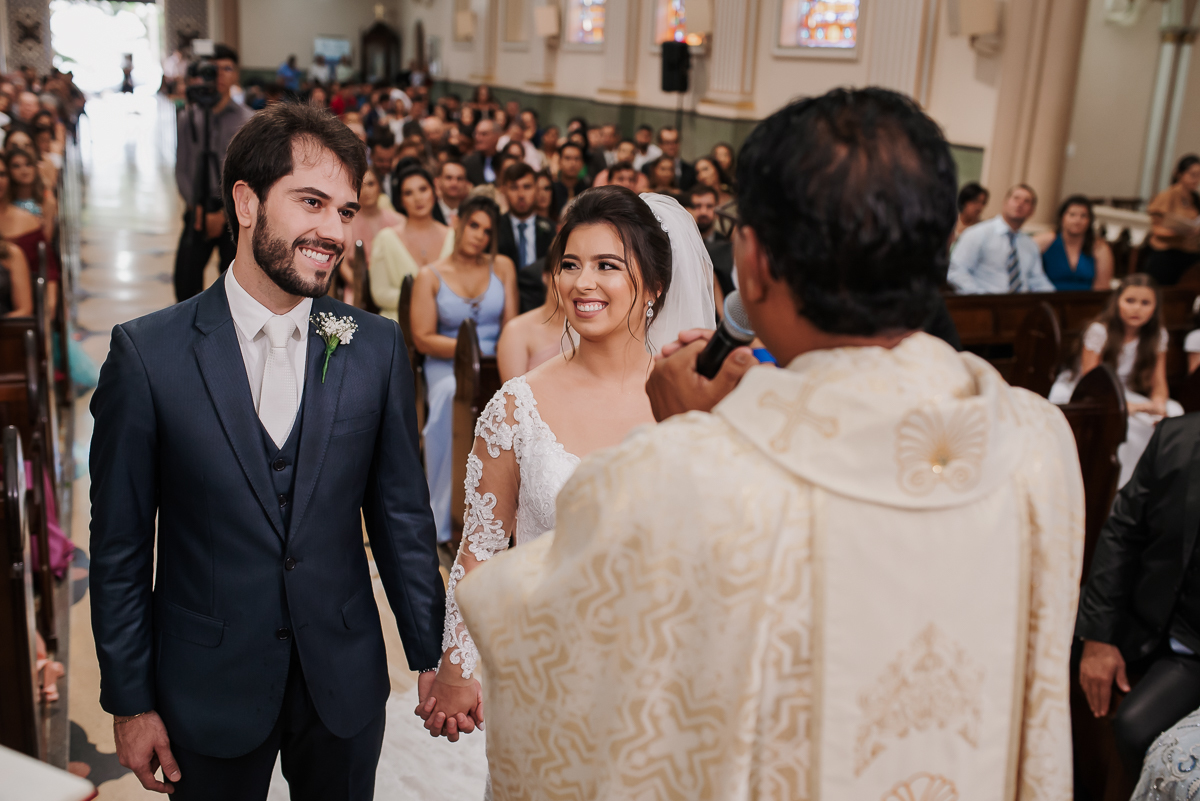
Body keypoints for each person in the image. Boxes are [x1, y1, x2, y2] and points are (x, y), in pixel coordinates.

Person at [436, 87, 1082, 800]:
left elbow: (536, 631)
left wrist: (683, 437)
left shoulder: (682, 470)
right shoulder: (1037, 444)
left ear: (755, 262)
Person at [89, 101, 447, 801]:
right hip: (206, 684)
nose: (332, 231)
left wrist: (430, 651)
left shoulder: (371, 345)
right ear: (246, 202)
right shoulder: (149, 354)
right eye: (311, 202)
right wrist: (130, 700)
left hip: (342, 682)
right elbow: (120, 546)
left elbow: (402, 517)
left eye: (345, 211)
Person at [420, 187, 715, 743]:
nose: (583, 283)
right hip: (544, 672)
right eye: (571, 265)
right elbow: (479, 550)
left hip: (664, 677)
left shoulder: (688, 397)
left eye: (607, 265)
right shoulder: (516, 406)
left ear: (653, 286)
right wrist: (458, 668)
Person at [1076, 387, 1200, 780]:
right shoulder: (1175, 439)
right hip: (1186, 646)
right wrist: (1098, 638)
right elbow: (1120, 535)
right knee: (1134, 727)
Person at [409, 196, 518, 545]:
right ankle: (442, 515)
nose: (480, 236)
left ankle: (503, 516)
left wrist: (496, 356)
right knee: (446, 397)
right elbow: (423, 338)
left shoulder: (502, 267)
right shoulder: (431, 275)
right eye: (474, 226)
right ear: (458, 224)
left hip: (495, 361)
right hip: (447, 366)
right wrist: (469, 353)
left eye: (487, 231)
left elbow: (511, 326)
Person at [1049, 274, 1182, 487]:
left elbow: (1159, 382)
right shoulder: (1100, 331)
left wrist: (1158, 404)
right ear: (1117, 302)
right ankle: (1118, 486)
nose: (1137, 309)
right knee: (1130, 426)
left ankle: (1157, 485)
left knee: (1175, 413)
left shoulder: (1157, 335)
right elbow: (1092, 383)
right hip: (1089, 390)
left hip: (1125, 392)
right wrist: (1137, 407)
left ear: (1155, 308)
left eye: (1145, 303)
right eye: (1130, 301)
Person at [173, 44, 254, 302]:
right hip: (197, 204)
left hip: (234, 210)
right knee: (185, 278)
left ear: (236, 75)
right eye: (213, 70)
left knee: (236, 283)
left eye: (226, 69)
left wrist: (224, 213)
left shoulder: (248, 120)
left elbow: (251, 173)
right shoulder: (189, 118)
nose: (220, 76)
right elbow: (182, 168)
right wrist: (195, 207)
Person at [370, 165, 454, 322]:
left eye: (423, 189)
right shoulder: (386, 239)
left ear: (434, 192)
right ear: (401, 200)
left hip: (444, 325)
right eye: (408, 193)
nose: (418, 198)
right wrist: (426, 297)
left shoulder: (453, 237)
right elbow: (380, 294)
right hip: (397, 326)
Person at [946, 184, 1054, 293]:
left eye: (1027, 201)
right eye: (1016, 198)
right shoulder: (978, 233)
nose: (1020, 203)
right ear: (1005, 202)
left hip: (1022, 306)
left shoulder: (1030, 244)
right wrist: (979, 296)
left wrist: (1054, 299)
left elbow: (1037, 279)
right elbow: (956, 272)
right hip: (983, 303)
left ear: (1032, 211)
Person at [496, 162, 556, 314]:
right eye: (514, 187)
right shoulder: (493, 228)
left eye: (527, 187)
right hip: (503, 301)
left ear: (536, 189)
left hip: (544, 301)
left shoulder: (550, 229)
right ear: (503, 190)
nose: (521, 194)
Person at [495, 257, 565, 381]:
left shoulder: (592, 330)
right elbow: (514, 397)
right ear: (545, 276)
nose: (569, 284)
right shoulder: (516, 330)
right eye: (562, 273)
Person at [1033, 195, 1114, 291]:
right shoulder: (1045, 241)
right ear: (1062, 217)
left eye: (1083, 216)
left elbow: (1102, 286)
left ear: (1089, 221)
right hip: (1048, 300)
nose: (1077, 220)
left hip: (1087, 303)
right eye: (1072, 215)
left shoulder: (1100, 248)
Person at [1145, 154, 1200, 286]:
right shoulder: (1167, 195)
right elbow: (1156, 229)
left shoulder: (1195, 198)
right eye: (1193, 175)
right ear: (1179, 174)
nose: (1196, 180)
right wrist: (1183, 231)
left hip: (1190, 253)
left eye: (1199, 176)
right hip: (1167, 254)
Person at [687, 185, 734, 297]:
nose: (703, 212)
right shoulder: (682, 245)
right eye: (697, 206)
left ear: (717, 210)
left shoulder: (726, 245)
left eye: (709, 206)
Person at [6, 148, 56, 240]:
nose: (24, 170)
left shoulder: (47, 201)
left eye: (28, 164)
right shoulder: (4, 203)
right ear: (8, 171)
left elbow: (46, 240)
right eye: (16, 166)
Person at [642, 126, 696, 191]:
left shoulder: (689, 170)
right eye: (667, 142)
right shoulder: (647, 168)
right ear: (660, 144)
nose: (672, 146)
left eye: (675, 142)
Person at [463, 119, 501, 186]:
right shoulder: (467, 163)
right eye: (476, 134)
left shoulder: (505, 161)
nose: (478, 138)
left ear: (496, 137)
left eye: (484, 134)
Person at [552, 142, 591, 208]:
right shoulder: (552, 190)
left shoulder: (587, 191)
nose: (573, 163)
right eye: (567, 158)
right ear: (559, 162)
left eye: (577, 158)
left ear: (582, 163)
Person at [434, 159, 471, 226]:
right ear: (438, 181)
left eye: (459, 178)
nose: (454, 183)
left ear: (466, 183)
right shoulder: (429, 213)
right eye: (449, 178)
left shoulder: (472, 213)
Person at [951, 182, 988, 246]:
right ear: (965, 201)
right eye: (976, 201)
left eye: (983, 203)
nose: (979, 207)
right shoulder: (951, 221)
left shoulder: (982, 229)